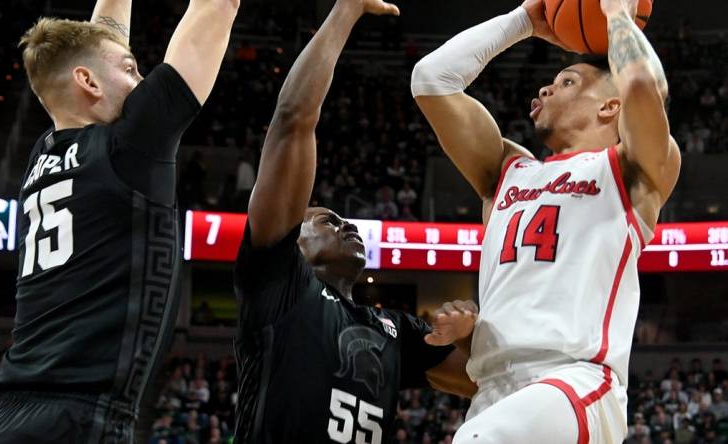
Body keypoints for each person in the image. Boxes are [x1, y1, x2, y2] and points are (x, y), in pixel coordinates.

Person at [0, 0, 238, 441]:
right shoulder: (130, 147)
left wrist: (112, 57)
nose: (142, 80)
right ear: (86, 81)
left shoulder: (43, 152)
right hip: (75, 420)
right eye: (131, 69)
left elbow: (102, 38)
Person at [412, 0, 680, 442]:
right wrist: (522, 21)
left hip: (575, 383)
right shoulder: (506, 171)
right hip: (492, 393)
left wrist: (616, 16)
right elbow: (431, 80)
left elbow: (644, 88)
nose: (544, 90)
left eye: (566, 82)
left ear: (610, 107)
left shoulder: (632, 169)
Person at [232, 0, 478, 442]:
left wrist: (471, 337)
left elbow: (480, 380)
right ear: (294, 243)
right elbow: (291, 122)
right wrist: (346, 10)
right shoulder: (279, 283)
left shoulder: (393, 329)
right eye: (326, 220)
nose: (346, 225)